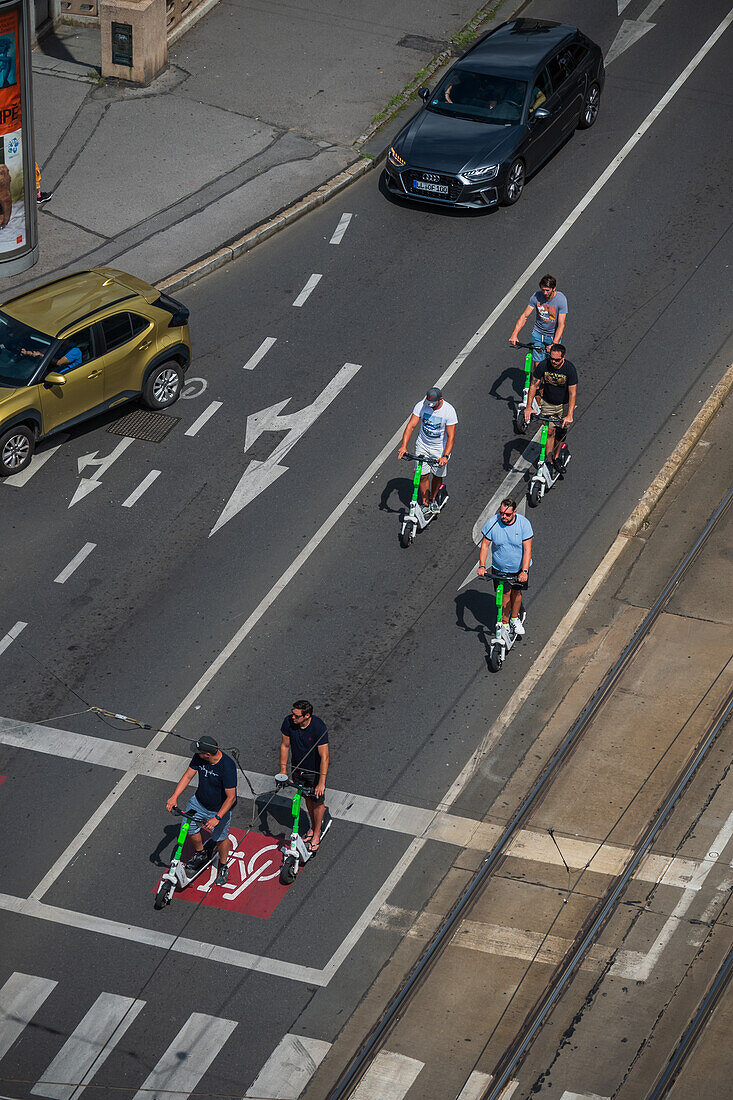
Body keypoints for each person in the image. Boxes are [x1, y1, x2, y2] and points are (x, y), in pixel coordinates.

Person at [166, 735, 237, 886]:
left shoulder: (227, 767)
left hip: (218, 809)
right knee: (189, 830)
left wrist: (217, 817)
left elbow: (231, 797)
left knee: (220, 838)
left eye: (199, 752)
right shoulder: (199, 758)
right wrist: (174, 797)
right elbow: (187, 776)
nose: (196, 754)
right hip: (198, 803)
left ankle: (223, 865)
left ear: (208, 754)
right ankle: (201, 853)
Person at [477, 497, 533, 636]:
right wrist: (482, 566)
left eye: (507, 514)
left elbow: (527, 549)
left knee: (516, 592)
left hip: (519, 568)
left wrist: (524, 571)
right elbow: (485, 545)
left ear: (514, 512)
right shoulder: (493, 523)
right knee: (504, 594)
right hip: (500, 568)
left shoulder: (523, 524)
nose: (504, 516)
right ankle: (505, 622)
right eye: (502, 513)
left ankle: (514, 618)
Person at [397, 386, 458, 513]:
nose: (430, 406)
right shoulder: (421, 405)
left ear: (440, 399)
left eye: (433, 404)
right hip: (423, 445)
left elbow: (451, 436)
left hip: (439, 449)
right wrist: (404, 446)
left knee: (437, 475)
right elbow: (411, 426)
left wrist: (445, 456)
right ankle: (425, 502)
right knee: (422, 475)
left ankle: (433, 499)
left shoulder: (449, 411)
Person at [279, 700, 329, 853]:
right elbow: (285, 746)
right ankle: (312, 827)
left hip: (313, 772)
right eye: (293, 714)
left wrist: (321, 782)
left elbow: (324, 757)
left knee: (317, 801)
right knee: (307, 798)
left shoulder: (318, 727)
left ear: (307, 716)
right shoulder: (288, 723)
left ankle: (317, 832)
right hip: (298, 769)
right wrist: (283, 771)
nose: (292, 718)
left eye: (296, 716)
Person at [523, 342, 577, 469]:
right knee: (549, 432)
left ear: (563, 358)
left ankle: (556, 457)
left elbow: (572, 393)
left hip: (563, 405)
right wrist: (529, 407)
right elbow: (534, 385)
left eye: (557, 360)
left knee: (561, 432)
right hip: (548, 403)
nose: (554, 362)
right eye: (552, 358)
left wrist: (569, 414)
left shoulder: (569, 369)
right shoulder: (544, 365)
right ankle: (549, 461)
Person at [509, 274, 568, 368]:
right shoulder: (536, 296)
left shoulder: (561, 300)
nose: (544, 293)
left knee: (553, 364)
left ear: (554, 288)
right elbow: (524, 316)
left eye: (547, 290)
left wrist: (554, 343)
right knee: (537, 365)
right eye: (543, 290)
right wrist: (514, 334)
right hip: (538, 333)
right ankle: (537, 381)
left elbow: (561, 324)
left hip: (553, 336)